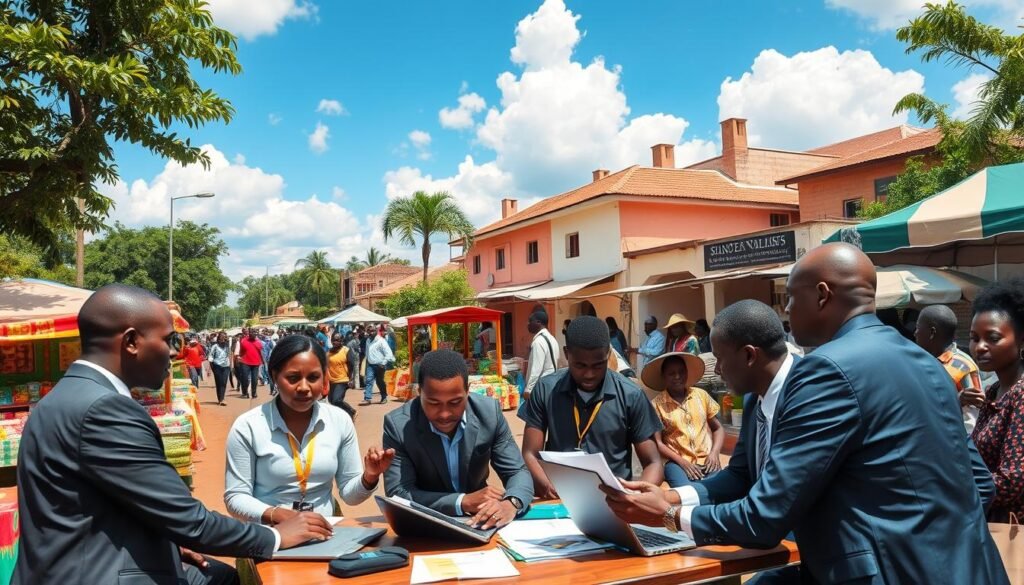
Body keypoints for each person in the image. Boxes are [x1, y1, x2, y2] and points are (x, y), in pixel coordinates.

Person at [602, 243, 1006, 584]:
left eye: (791, 298)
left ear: (822, 296)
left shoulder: (826, 369)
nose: (787, 312)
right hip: (971, 567)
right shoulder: (928, 364)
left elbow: (765, 518)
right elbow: (979, 484)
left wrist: (670, 516)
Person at [13, 284, 334, 585]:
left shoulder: (64, 396)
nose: (174, 353)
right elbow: (189, 519)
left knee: (218, 576)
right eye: (168, 340)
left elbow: (101, 504)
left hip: (68, 564)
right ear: (131, 342)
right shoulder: (105, 410)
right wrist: (276, 536)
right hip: (93, 573)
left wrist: (168, 543)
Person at [225, 334, 393, 524]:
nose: (304, 387)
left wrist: (369, 476)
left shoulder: (339, 420)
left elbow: (350, 495)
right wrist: (279, 516)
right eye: (293, 378)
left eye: (313, 377)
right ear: (274, 376)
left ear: (324, 378)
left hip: (325, 532)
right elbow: (236, 497)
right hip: (269, 534)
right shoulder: (248, 426)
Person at [383, 349, 533, 528]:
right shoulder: (398, 426)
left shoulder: (489, 414)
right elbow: (399, 493)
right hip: (426, 526)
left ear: (468, 391)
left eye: (455, 403)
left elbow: (516, 471)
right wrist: (462, 501)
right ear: (419, 392)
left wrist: (511, 503)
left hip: (479, 523)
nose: (444, 414)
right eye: (433, 403)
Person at [520, 316, 664, 499]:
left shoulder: (631, 395)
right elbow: (530, 453)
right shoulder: (546, 389)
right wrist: (546, 485)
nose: (589, 374)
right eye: (580, 365)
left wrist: (634, 496)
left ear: (608, 354)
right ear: (567, 353)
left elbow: (653, 463)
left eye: (598, 365)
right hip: (559, 497)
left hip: (615, 500)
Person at [970, 278, 1024, 523]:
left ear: (1021, 340)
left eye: (992, 338)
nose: (980, 347)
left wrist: (954, 486)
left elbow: (1013, 481)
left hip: (1013, 527)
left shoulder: (1020, 395)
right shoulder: (993, 391)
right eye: (974, 338)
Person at [642, 352, 723, 488]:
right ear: (663, 377)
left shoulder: (701, 396)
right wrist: (682, 462)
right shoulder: (657, 405)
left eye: (681, 372)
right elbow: (658, 443)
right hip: (676, 463)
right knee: (686, 491)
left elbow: (718, 428)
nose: (677, 377)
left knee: (717, 488)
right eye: (671, 373)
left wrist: (714, 453)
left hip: (707, 459)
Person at [915, 304, 984, 432]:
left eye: (918, 328)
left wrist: (956, 401)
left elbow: (972, 422)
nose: (915, 333)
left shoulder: (963, 367)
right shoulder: (930, 361)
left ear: (932, 333)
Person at [524, 310, 560, 401]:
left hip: (541, 388)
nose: (528, 324)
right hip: (551, 384)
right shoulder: (552, 339)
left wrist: (528, 390)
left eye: (530, 321)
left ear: (538, 322)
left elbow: (536, 369)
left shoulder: (538, 342)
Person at [327, 332, 359, 418]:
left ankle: (352, 411)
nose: (335, 342)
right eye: (333, 340)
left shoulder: (346, 351)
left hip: (342, 379)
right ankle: (342, 416)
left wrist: (351, 379)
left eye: (337, 340)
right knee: (331, 401)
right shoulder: (328, 352)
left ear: (342, 341)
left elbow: (351, 366)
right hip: (331, 380)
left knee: (337, 400)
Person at [364, 326, 395, 405]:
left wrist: (383, 363)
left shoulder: (381, 341)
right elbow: (367, 352)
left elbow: (389, 353)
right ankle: (367, 398)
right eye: (369, 331)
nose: (371, 332)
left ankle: (384, 397)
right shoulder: (368, 340)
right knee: (368, 380)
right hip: (370, 365)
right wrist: (367, 360)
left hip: (380, 365)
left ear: (376, 331)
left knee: (380, 382)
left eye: (373, 331)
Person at [238, 327, 264, 399]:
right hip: (245, 362)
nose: (254, 333)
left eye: (255, 332)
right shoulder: (243, 341)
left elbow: (261, 353)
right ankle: (244, 392)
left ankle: (254, 393)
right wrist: (239, 358)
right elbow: (241, 351)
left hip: (256, 363)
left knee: (254, 379)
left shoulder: (259, 342)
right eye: (252, 332)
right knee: (245, 378)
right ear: (249, 333)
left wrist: (263, 361)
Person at [208, 331, 232, 405]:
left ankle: (222, 399)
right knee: (219, 382)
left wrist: (231, 365)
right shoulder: (215, 346)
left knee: (224, 382)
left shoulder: (227, 346)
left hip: (226, 366)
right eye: (222, 336)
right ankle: (220, 399)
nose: (223, 338)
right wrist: (211, 368)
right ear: (218, 338)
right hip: (217, 366)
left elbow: (230, 354)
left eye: (224, 336)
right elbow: (210, 356)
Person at [259, 328, 277, 395]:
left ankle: (273, 389)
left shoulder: (272, 341)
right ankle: (272, 389)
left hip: (272, 359)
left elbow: (273, 349)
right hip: (267, 359)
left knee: (271, 374)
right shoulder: (265, 341)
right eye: (267, 333)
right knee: (269, 373)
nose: (267, 334)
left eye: (269, 333)